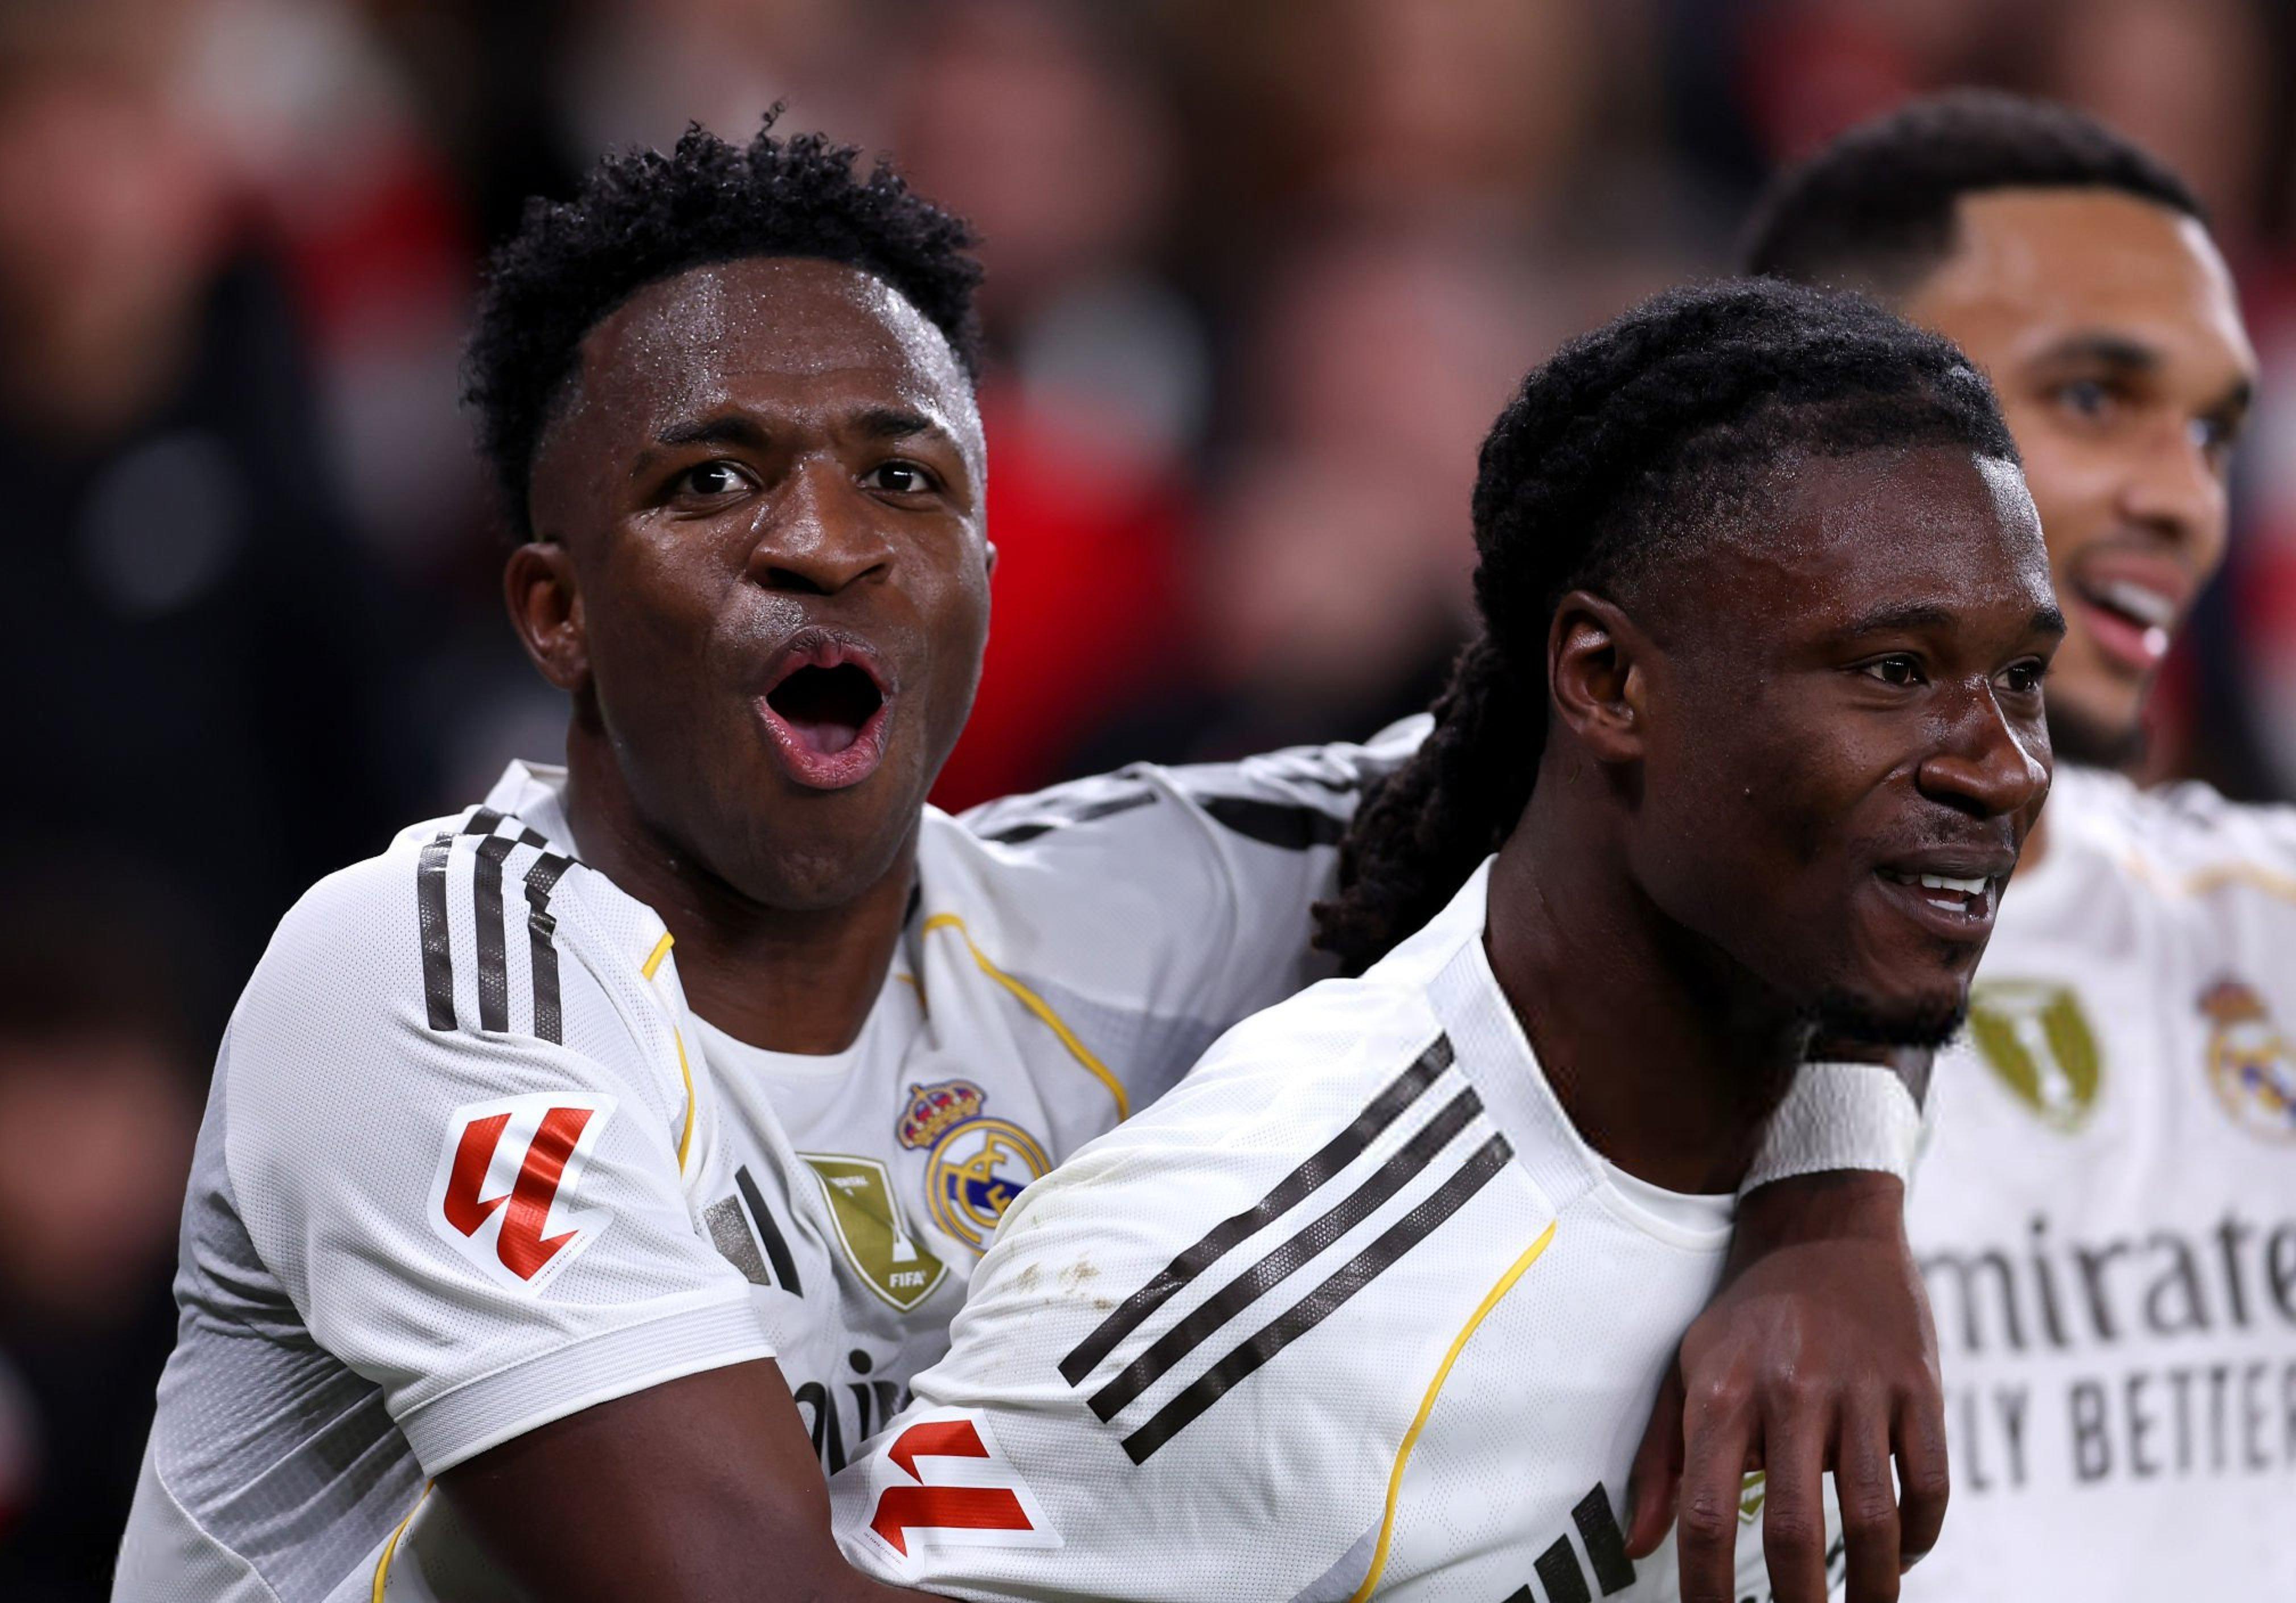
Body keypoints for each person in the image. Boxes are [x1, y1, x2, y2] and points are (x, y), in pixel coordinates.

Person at [116, 128, 1941, 1603]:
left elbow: (1804, 789)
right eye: (710, 481)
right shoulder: (423, 979)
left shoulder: (1149, 898)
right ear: (555, 611)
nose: (823, 541)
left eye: (905, 477)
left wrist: (1831, 1202)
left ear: (989, 571)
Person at [826, 279, 2060, 1603]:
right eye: (1892, 673)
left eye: (2019, 678)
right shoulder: (1252, 1281)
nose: (2006, 768)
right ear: (1607, 683)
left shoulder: (1865, 992)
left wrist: (1831, 1203)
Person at [1746, 91, 2290, 1600]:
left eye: (2211, 432)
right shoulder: (1511, 946)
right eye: (2095, 397)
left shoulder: (2263, 925)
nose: (2184, 500)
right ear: (1803, 423)